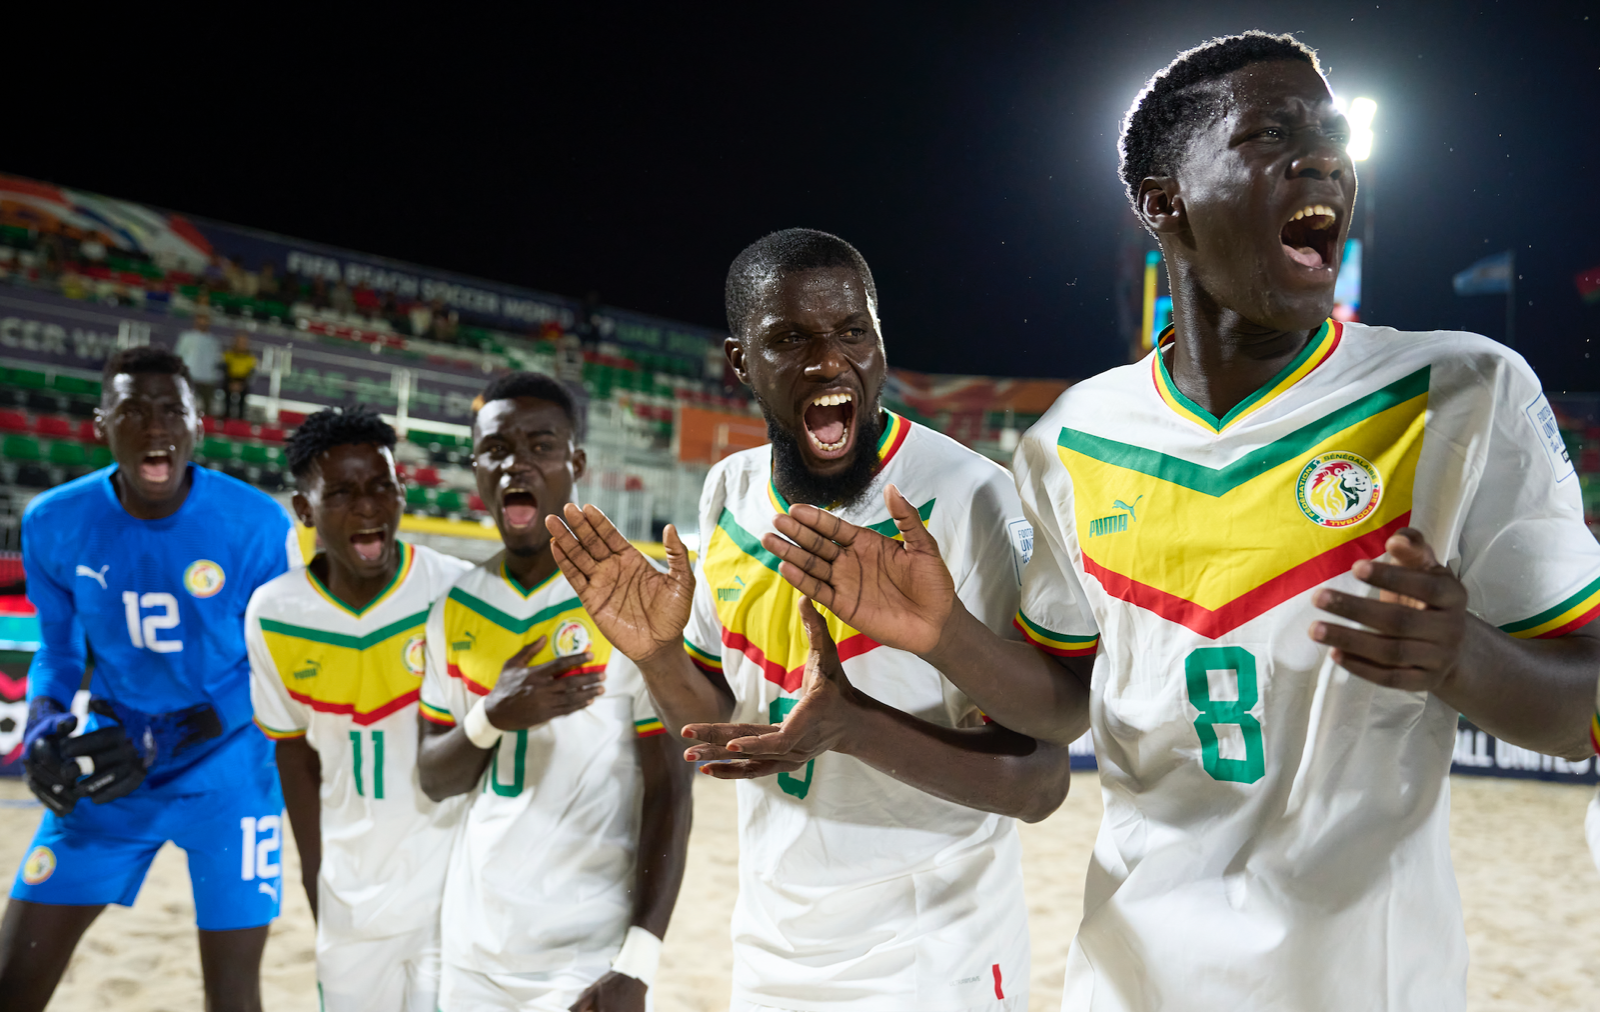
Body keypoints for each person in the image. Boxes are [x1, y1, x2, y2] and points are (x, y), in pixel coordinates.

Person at [758, 33, 1600, 1011]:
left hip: (1368, 983)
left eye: (1332, 136)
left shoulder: (1462, 391)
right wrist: (947, 635)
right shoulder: (1073, 438)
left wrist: (1462, 656)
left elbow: (1578, 707)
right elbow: (1064, 701)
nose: (1323, 156)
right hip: (1126, 978)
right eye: (1271, 133)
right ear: (1166, 202)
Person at [545, 229, 1071, 1012]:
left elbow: (1041, 782)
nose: (829, 362)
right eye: (790, 339)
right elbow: (717, 724)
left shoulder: (969, 497)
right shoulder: (728, 492)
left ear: (881, 340)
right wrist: (659, 658)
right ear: (739, 363)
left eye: (852, 332)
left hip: (935, 956)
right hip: (770, 948)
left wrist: (859, 728)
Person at [1, 345, 298, 1012]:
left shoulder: (256, 523)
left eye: (173, 410)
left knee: (233, 995)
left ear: (199, 425)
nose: (156, 426)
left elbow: (275, 663)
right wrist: (46, 721)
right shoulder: (53, 520)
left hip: (232, 774)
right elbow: (57, 649)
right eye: (134, 410)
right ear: (101, 425)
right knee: (12, 983)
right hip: (112, 764)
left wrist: (174, 734)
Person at [416, 371, 693, 1012]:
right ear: (477, 467)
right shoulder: (454, 607)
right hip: (472, 942)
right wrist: (490, 715)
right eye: (496, 448)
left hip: (586, 955)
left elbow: (669, 791)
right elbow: (435, 778)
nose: (517, 462)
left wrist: (639, 963)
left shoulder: (630, 600)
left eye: (541, 446)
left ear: (576, 463)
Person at [247, 406, 471, 1012]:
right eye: (341, 493)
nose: (367, 507)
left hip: (452, 884)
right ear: (304, 510)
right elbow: (292, 755)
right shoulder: (273, 612)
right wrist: (315, 880)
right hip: (348, 890)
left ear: (402, 492)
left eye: (381, 487)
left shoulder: (455, 590)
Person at [174, 310, 221, 415]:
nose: (202, 323)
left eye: (205, 320)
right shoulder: (186, 337)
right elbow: (179, 355)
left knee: (208, 407)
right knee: (186, 403)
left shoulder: (213, 341)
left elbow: (216, 360)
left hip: (208, 378)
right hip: (190, 376)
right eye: (200, 320)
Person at [222, 332, 258, 421]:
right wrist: (232, 383)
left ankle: (240, 421)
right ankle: (226, 419)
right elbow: (225, 370)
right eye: (240, 341)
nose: (242, 344)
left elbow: (250, 373)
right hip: (230, 380)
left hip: (243, 382)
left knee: (243, 398)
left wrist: (240, 384)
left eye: (244, 342)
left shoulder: (250, 357)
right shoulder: (228, 354)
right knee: (226, 394)